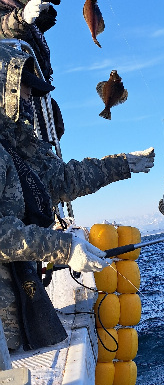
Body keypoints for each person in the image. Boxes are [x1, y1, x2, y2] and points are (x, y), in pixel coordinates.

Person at [0, 42, 155, 350]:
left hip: (17, 320)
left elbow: (63, 179)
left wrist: (122, 164)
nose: (29, 98)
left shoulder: (18, 149)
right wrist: (64, 248)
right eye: (24, 88)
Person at [0, 0, 64, 140]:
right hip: (9, 103)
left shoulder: (36, 29)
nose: (46, 3)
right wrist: (22, 18)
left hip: (33, 103)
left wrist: (48, 106)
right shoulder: (4, 10)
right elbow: (4, 29)